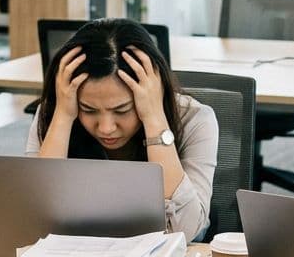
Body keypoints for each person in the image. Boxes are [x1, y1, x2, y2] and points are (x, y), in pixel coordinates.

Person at [26, 19, 218, 240]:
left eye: (122, 110)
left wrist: (154, 118)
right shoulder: (56, 114)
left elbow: (186, 230)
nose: (106, 128)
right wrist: (63, 118)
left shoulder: (195, 119)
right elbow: (34, 221)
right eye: (88, 109)